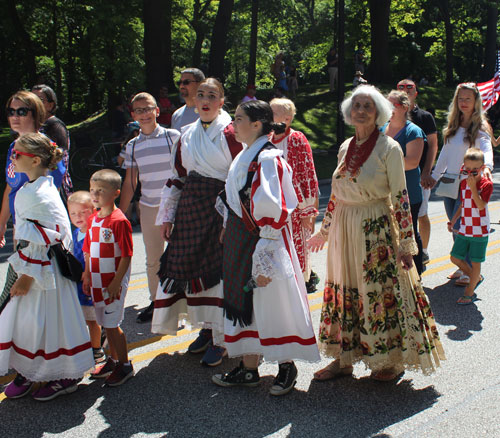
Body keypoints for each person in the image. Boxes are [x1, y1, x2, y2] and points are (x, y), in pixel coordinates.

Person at [309, 85, 444, 382]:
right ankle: (342, 359)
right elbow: (337, 191)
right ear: (348, 111)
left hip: (375, 227)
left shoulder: (389, 148)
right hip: (345, 227)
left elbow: (400, 197)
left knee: (376, 293)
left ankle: (387, 360)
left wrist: (407, 244)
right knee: (344, 290)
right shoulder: (345, 146)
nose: (360, 110)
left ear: (378, 112)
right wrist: (325, 230)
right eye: (356, 105)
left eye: (367, 106)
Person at [212, 100, 320, 396]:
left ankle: (286, 366)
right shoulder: (246, 154)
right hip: (242, 238)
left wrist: (267, 247)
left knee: (272, 299)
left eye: (238, 119)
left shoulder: (268, 158)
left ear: (257, 123)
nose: (232, 125)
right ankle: (249, 368)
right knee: (245, 301)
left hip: (262, 239)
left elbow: (275, 204)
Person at [153, 78, 242, 366]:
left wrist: (232, 218)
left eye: (212, 95)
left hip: (220, 208)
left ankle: (223, 338)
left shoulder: (232, 133)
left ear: (221, 100)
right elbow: (177, 176)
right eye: (200, 94)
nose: (205, 99)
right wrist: (167, 216)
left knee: (218, 273)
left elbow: (240, 178)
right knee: (191, 269)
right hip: (191, 209)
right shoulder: (186, 134)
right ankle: (206, 328)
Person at [0, 132, 94, 401]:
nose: (12, 158)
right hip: (34, 265)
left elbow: (47, 237)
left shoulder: (39, 192)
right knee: (30, 321)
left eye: (17, 154)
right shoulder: (34, 187)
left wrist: (28, 276)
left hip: (41, 271)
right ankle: (31, 371)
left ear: (36, 160)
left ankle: (63, 374)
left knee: (45, 321)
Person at [0, 91, 66, 312]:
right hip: (21, 230)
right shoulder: (14, 148)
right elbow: (10, 187)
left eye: (21, 111)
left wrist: (30, 264)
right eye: (11, 111)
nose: (15, 116)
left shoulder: (45, 148)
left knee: (14, 302)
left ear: (36, 113)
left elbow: (47, 204)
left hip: (39, 238)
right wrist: (2, 224)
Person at [119, 92, 181, 323]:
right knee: (153, 259)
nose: (144, 114)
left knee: (179, 257)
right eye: (139, 110)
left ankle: (182, 304)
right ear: (133, 115)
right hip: (148, 207)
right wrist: (120, 213)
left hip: (175, 206)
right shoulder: (133, 146)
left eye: (148, 109)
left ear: (157, 110)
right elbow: (130, 182)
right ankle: (157, 303)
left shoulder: (172, 137)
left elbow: (183, 170)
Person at [429, 82, 493, 286]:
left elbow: (486, 149)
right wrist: (434, 176)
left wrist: (487, 167)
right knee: (455, 227)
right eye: (460, 98)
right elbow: (445, 154)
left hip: (469, 183)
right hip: (450, 182)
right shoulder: (453, 126)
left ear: (476, 102)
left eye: (468, 99)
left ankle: (472, 272)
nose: (464, 102)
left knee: (462, 226)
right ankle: (463, 266)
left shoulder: (480, 127)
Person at [83, 169, 134, 386]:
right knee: (105, 323)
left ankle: (124, 364)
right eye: (92, 190)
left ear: (116, 193)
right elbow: (88, 249)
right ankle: (113, 360)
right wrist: (86, 274)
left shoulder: (119, 220)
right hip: (96, 280)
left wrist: (116, 282)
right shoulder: (93, 218)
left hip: (113, 282)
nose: (95, 195)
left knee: (113, 325)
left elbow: (126, 254)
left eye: (101, 191)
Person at [269, 98, 320, 290]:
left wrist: (308, 211)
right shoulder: (266, 139)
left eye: (273, 113)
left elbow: (308, 175)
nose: (268, 117)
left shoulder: (296, 139)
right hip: (272, 207)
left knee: (295, 252)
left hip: (294, 209)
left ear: (287, 118)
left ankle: (297, 288)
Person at [397, 78, 438, 266]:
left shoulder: (425, 117)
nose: (405, 90)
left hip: (419, 175)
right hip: (396, 175)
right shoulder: (390, 116)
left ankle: (424, 251)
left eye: (409, 88)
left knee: (420, 214)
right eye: (401, 88)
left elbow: (433, 146)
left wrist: (427, 171)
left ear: (416, 92)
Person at [383, 90, 425, 275]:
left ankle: (416, 273)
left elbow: (412, 162)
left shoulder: (413, 131)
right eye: (387, 105)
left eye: (394, 105)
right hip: (384, 193)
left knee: (409, 233)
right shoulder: (380, 128)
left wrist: (381, 165)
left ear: (405, 107)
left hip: (408, 192)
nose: (390, 109)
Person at [447, 149, 492, 305]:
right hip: (465, 227)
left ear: (482, 168)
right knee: (455, 257)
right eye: (467, 170)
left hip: (479, 229)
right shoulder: (464, 182)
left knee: (475, 261)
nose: (470, 173)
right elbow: (463, 203)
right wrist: (454, 220)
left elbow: (480, 205)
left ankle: (469, 292)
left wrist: (474, 188)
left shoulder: (486, 184)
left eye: (475, 170)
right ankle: (475, 277)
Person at [67, 191, 105, 364]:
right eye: (73, 213)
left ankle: (97, 349)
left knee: (92, 319)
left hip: (92, 283)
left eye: (83, 212)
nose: (78, 217)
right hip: (78, 284)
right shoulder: (75, 233)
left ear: (93, 211)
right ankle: (88, 344)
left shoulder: (95, 232)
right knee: (81, 318)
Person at [31, 84, 73, 198]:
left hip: (55, 183)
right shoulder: (35, 125)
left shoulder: (54, 125)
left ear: (50, 105)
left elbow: (61, 156)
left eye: (40, 99)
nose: (34, 103)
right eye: (31, 98)